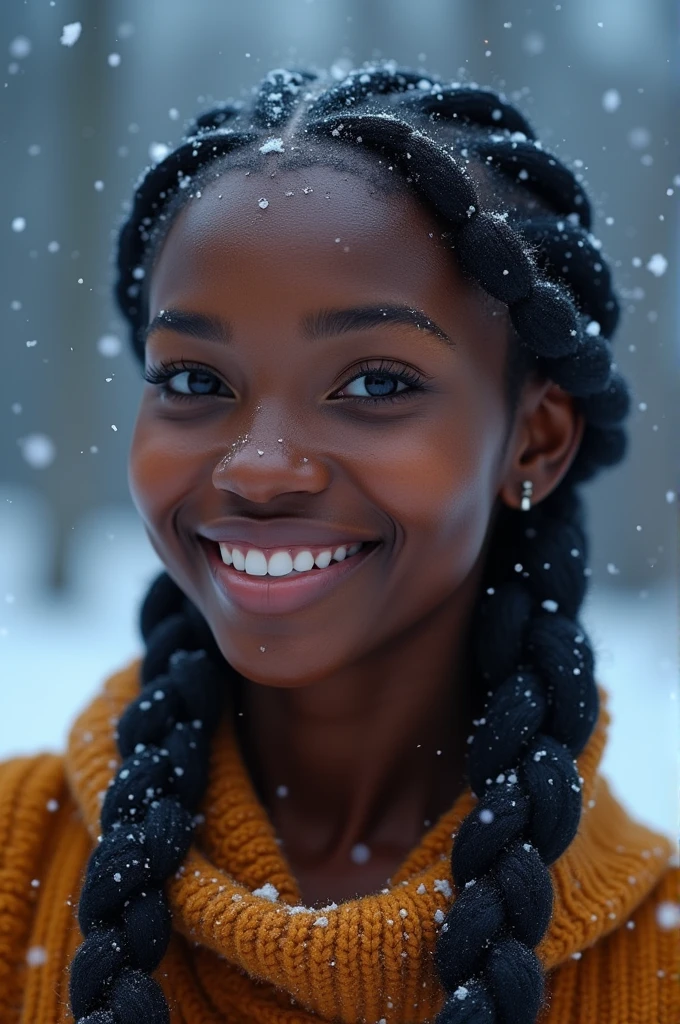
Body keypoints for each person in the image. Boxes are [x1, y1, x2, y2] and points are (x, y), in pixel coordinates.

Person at [0, 63, 677, 1024]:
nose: (261, 468)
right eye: (194, 382)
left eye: (373, 384)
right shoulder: (14, 871)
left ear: (536, 437)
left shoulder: (659, 965)